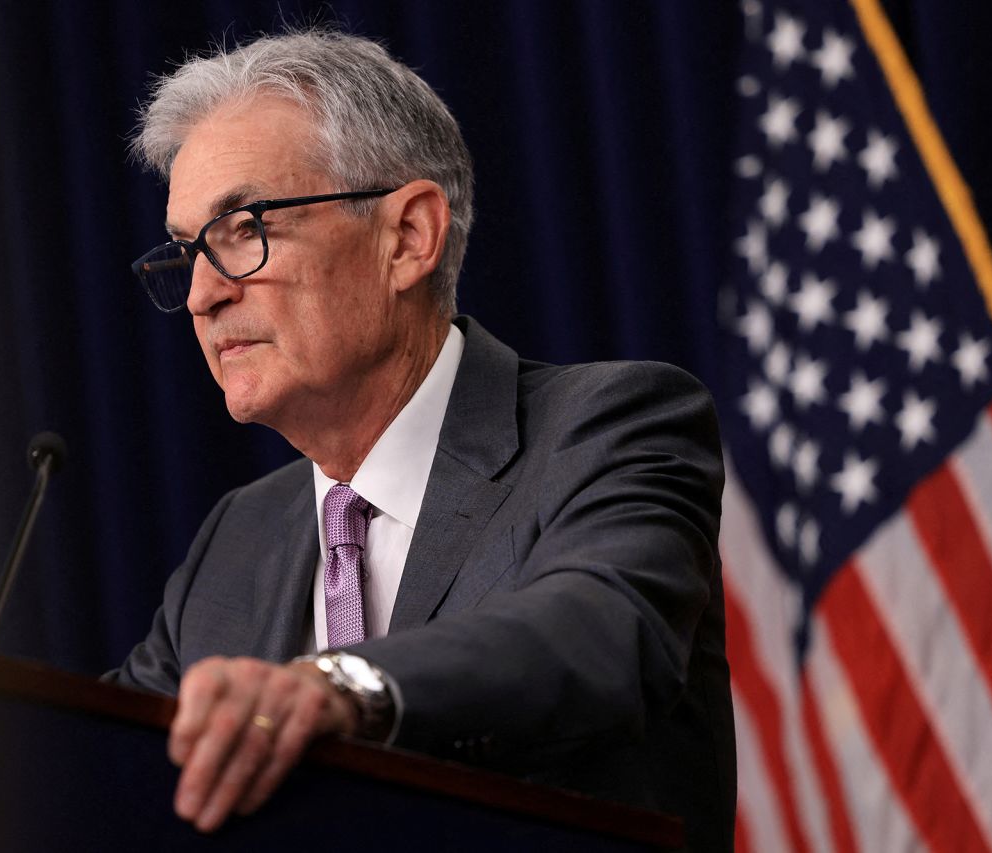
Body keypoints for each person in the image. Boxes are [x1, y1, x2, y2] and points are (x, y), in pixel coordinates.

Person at [108, 28, 735, 851]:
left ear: (407, 236)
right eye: (189, 250)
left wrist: (343, 685)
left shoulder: (611, 427)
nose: (200, 295)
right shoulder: (237, 539)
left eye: (243, 228)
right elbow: (106, 763)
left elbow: (600, 629)